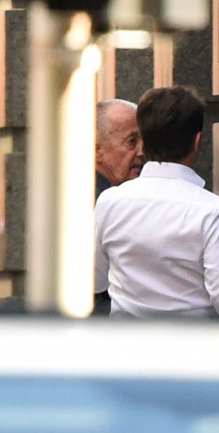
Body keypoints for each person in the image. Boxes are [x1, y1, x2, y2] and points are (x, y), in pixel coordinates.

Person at [94, 85, 219, 318]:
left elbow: (95, 281)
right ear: (197, 141)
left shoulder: (109, 201)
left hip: (126, 346)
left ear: (144, 143)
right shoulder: (213, 210)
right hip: (192, 347)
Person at [93, 99, 145, 315]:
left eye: (144, 141)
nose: (142, 152)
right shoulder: (94, 204)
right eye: (131, 141)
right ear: (97, 151)